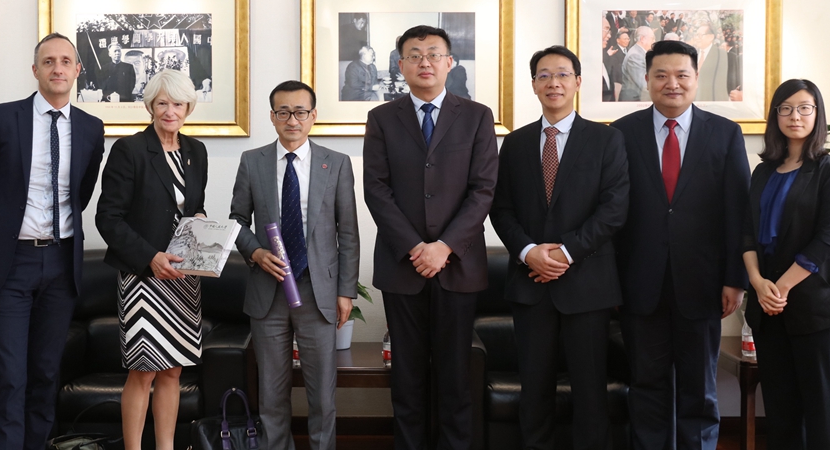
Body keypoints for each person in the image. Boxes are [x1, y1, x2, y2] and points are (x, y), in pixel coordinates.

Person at [363, 25, 498, 450]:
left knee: (455, 376)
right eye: (414, 55)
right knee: (407, 377)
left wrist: (444, 247)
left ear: (449, 62)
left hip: (458, 265)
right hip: (402, 265)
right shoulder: (382, 118)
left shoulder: (476, 116)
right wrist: (414, 246)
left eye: (434, 54)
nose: (425, 62)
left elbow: (483, 190)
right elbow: (376, 189)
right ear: (401, 65)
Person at [610, 39, 750, 450]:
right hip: (640, 283)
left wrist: (735, 279)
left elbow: (738, 211)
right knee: (646, 386)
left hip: (704, 284)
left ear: (696, 78)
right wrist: (613, 282)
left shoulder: (724, 133)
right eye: (661, 75)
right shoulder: (621, 133)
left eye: (681, 75)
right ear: (647, 80)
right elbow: (612, 212)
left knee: (699, 390)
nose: (672, 83)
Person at [0, 33, 106, 449]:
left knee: (46, 374)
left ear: (78, 70)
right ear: (35, 70)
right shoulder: (0, 118)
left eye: (65, 61)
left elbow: (81, 192)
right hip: (10, 263)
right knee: (11, 376)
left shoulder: (91, 128)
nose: (57, 68)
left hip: (62, 264)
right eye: (48, 61)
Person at [490, 46, 628, 450]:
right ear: (534, 85)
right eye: (544, 75)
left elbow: (614, 209)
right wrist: (528, 251)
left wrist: (565, 253)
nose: (554, 83)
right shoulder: (515, 143)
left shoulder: (606, 139)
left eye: (563, 74)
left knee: (590, 389)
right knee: (534, 389)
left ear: (578, 82)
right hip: (530, 284)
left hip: (587, 284)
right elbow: (501, 208)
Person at [229, 80, 359, 450]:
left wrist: (346, 292)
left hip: (319, 291)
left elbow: (348, 232)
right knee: (271, 395)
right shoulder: (252, 161)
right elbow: (237, 220)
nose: (292, 120)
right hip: (268, 291)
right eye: (283, 112)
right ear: (272, 117)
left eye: (300, 112)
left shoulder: (336, 163)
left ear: (313, 116)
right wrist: (255, 252)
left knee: (322, 397)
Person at [94, 69, 208, 450]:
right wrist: (150, 257)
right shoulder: (129, 150)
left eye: (177, 104)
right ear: (150, 106)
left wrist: (201, 219)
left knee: (173, 371)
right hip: (144, 278)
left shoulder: (196, 152)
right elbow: (108, 218)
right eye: (162, 103)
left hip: (183, 279)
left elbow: (192, 208)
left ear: (188, 107)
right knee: (143, 372)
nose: (170, 111)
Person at [743, 79, 830, 450]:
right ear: (775, 116)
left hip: (812, 310)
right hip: (766, 309)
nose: (795, 116)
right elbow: (746, 234)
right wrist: (758, 283)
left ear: (817, 114)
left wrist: (781, 288)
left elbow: (826, 239)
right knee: (780, 413)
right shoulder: (762, 172)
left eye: (805, 108)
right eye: (786, 108)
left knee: (821, 413)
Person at [690, 23, 730, 102]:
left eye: (700, 35)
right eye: (696, 35)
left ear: (711, 37)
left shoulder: (721, 55)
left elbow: (722, 84)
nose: (697, 38)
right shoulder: (691, 54)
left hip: (711, 101)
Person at [619, 27, 653, 101]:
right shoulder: (635, 55)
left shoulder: (638, 53)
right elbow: (644, 84)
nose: (654, 41)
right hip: (633, 101)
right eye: (652, 38)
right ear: (642, 39)